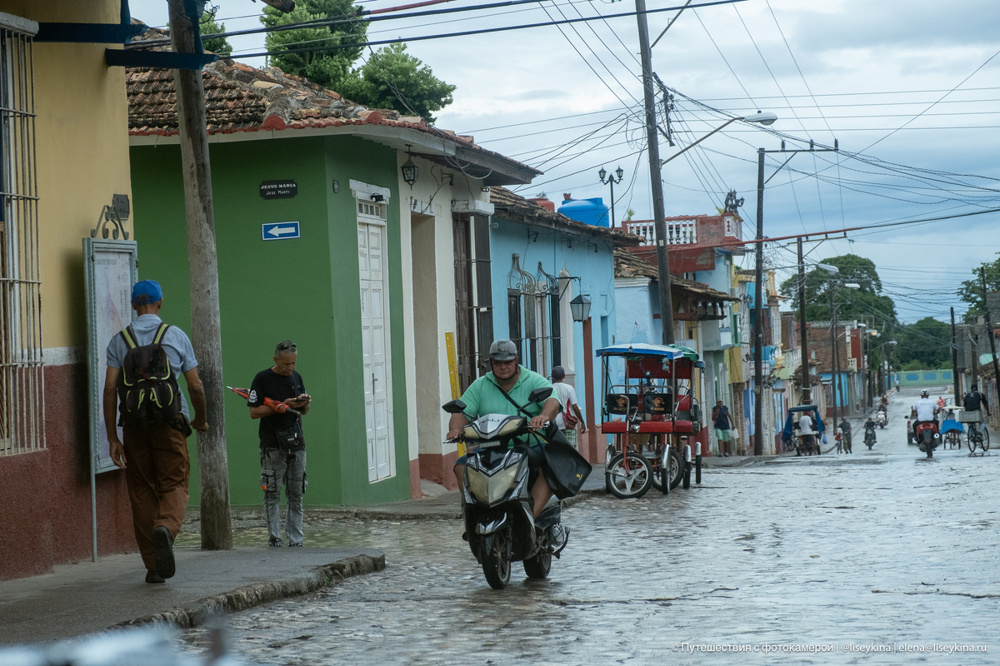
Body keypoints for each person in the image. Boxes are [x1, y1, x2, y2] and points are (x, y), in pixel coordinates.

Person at [103, 280, 208, 584]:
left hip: (134, 428)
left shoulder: (119, 341)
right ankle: (166, 528)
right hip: (170, 424)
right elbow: (195, 386)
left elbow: (111, 389)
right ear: (160, 303)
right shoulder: (174, 336)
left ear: (134, 305)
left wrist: (113, 438)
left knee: (141, 490)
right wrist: (200, 419)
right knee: (174, 483)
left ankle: (153, 567)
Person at [447, 340, 562, 532]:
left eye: (507, 362)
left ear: (516, 360)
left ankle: (528, 520)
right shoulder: (481, 385)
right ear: (490, 363)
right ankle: (473, 515)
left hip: (528, 445)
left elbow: (552, 401)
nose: (503, 367)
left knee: (550, 469)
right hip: (490, 448)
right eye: (498, 362)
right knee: (461, 466)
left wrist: (542, 416)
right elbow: (460, 412)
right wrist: (455, 430)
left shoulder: (533, 379)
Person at [249, 340, 312, 548]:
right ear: (276, 359)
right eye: (286, 364)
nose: (290, 368)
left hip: (296, 442)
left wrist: (304, 404)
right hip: (272, 444)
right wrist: (281, 406)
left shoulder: (297, 377)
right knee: (272, 491)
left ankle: (296, 540)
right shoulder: (262, 378)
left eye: (293, 363)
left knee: (297, 493)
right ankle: (275, 537)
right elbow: (254, 412)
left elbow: (303, 412)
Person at [550, 366, 587, 449]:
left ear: (552, 376)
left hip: (554, 422)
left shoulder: (550, 388)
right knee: (570, 449)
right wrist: (582, 421)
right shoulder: (569, 388)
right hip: (567, 422)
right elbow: (574, 406)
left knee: (557, 448)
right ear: (564, 376)